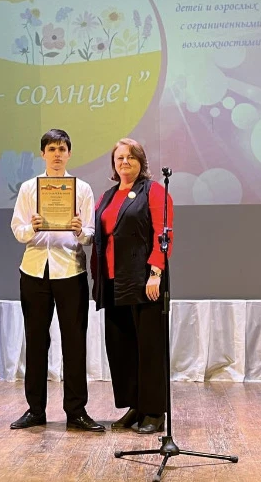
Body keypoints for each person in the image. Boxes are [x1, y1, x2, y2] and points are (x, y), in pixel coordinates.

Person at [10, 129, 105, 432]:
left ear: (69, 153)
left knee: (74, 343)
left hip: (70, 271)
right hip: (34, 270)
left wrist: (79, 230)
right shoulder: (29, 188)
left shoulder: (82, 189)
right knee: (36, 342)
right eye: (51, 149)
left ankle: (76, 411)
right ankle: (35, 410)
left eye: (62, 149)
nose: (57, 154)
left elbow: (90, 233)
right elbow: (17, 229)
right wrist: (32, 228)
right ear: (43, 154)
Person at [91, 138, 174, 434]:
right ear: (114, 164)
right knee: (122, 348)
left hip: (144, 281)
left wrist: (156, 273)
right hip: (113, 281)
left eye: (131, 157)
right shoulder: (107, 196)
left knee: (149, 348)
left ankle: (154, 411)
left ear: (141, 161)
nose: (125, 162)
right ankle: (136, 406)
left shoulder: (154, 191)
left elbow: (163, 233)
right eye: (119, 158)